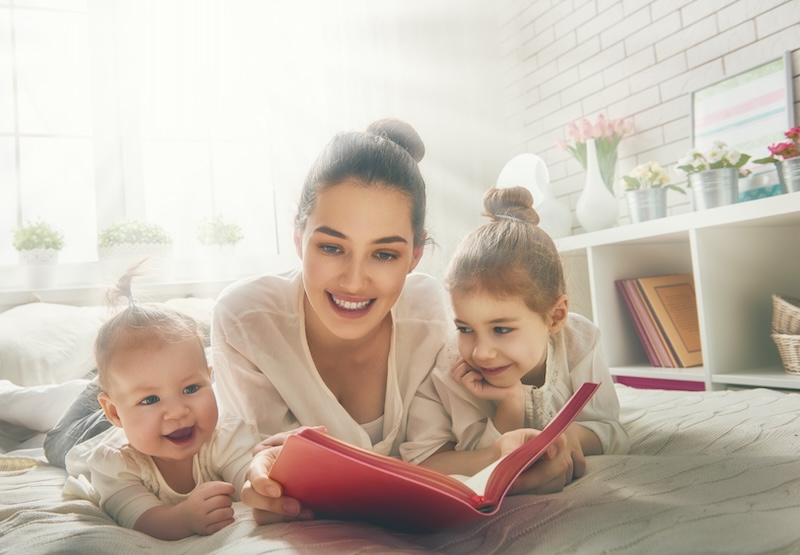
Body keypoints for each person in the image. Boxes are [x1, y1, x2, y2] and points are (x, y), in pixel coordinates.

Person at [400, 186, 629, 487]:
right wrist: (510, 404)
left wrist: (571, 436)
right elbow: (423, 463)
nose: (481, 353)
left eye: (501, 329)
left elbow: (612, 430)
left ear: (556, 316)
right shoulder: (447, 369)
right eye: (465, 328)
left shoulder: (580, 341)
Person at [62, 271, 261, 540]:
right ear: (114, 412)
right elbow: (140, 517)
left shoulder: (223, 436)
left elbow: (250, 480)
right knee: (55, 440)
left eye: (191, 388)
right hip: (84, 435)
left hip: (126, 414)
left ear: (210, 378)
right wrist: (184, 518)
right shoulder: (115, 463)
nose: (179, 411)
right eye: (151, 399)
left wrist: (267, 490)